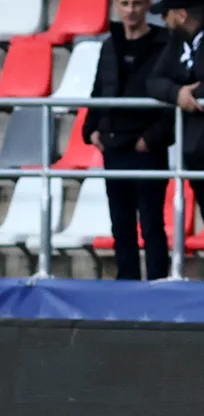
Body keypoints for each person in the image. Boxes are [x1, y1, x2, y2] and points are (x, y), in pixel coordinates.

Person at [84, 0, 174, 280]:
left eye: (137, 3)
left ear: (147, 6)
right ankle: (127, 283)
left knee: (151, 223)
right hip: (114, 146)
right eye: (125, 3)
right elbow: (98, 91)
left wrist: (151, 139)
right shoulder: (109, 45)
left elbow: (172, 99)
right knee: (121, 224)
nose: (131, 9)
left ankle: (158, 282)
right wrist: (92, 131)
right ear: (116, 7)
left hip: (148, 149)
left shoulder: (165, 44)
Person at [148, 0, 204, 222]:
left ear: (181, 15)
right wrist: (177, 93)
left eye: (166, 14)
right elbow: (153, 81)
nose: (165, 22)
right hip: (195, 154)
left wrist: (193, 94)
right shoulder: (178, 43)